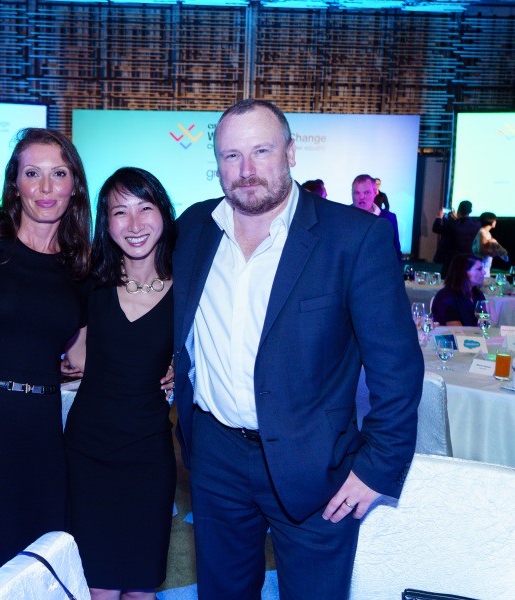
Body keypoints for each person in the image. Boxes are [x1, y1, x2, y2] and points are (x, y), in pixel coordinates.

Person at [172, 99, 423, 599]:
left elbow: (397, 368)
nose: (246, 170)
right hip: (216, 458)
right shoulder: (194, 227)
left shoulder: (353, 237)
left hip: (317, 465)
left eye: (261, 151)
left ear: (290, 153)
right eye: (231, 156)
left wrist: (376, 468)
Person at [0, 127, 92, 596]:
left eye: (59, 174)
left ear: (75, 185)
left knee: (38, 555)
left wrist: (159, 365)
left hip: (41, 429)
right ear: (15, 183)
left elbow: (83, 355)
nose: (46, 187)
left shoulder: (80, 267)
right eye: (33, 174)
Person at [63, 167, 176, 600]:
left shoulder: (189, 288)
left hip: (149, 455)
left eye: (145, 208)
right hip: (88, 453)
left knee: (142, 589)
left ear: (163, 213)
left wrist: (181, 368)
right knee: (98, 589)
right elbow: (77, 358)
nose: (134, 224)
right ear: (105, 223)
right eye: (119, 212)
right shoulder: (89, 283)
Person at [352, 174, 402, 261]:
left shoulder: (389, 218)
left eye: (366, 192)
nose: (361, 197)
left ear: (375, 193)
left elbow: (395, 253)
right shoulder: (343, 217)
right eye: (357, 192)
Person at [431, 254, 486, 326]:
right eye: (479, 269)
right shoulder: (446, 297)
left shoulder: (477, 294)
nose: (484, 272)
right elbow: (456, 329)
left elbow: (483, 323)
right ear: (465, 272)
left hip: (473, 333)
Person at [432, 200, 481, 278]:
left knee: (447, 279)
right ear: (470, 211)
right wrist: (457, 218)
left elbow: (436, 229)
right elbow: (463, 225)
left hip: (452, 259)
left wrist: (439, 217)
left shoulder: (452, 224)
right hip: (469, 258)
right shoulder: (477, 224)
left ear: (459, 210)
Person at [473, 211, 509, 279]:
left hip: (485, 265)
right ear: (491, 221)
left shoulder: (486, 233)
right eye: (495, 220)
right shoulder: (482, 233)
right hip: (481, 267)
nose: (496, 222)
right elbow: (481, 250)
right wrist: (497, 252)